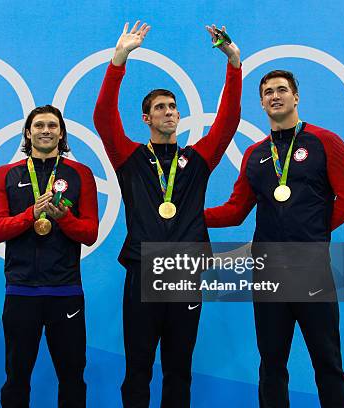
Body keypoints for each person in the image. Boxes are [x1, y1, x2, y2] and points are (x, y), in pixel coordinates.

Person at [93, 21, 242, 407]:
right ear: (147, 119)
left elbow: (227, 123)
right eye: (160, 108)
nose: (170, 112)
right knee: (138, 369)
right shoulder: (130, 157)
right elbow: (103, 119)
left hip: (185, 270)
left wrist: (234, 63)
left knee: (179, 369)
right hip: (143, 269)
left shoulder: (197, 159)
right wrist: (119, 59)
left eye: (173, 106)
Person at [205, 70, 344, 407]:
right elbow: (234, 211)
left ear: (296, 96)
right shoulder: (255, 155)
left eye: (281, 90)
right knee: (272, 367)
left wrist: (312, 234)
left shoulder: (325, 142)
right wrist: (191, 217)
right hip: (269, 274)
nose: (275, 96)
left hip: (311, 271)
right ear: (261, 103)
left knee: (328, 363)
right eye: (267, 92)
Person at [0, 105, 99, 408]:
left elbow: (90, 233)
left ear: (61, 133)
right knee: (16, 377)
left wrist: (64, 218)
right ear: (28, 132)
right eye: (39, 126)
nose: (46, 131)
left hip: (66, 291)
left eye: (52, 125)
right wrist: (31, 214)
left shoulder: (80, 174)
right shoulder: (7, 174)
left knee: (72, 377)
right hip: (21, 291)